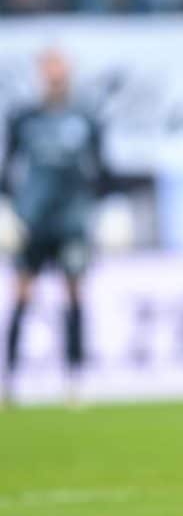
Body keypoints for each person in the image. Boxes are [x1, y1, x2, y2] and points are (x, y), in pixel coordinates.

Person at [1, 49, 107, 407]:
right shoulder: (24, 118)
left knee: (74, 295)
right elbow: (8, 168)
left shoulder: (86, 118)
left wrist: (106, 209)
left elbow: (101, 170)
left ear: (69, 74)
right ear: (41, 75)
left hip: (72, 221)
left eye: (60, 71)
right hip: (32, 222)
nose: (55, 78)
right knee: (22, 296)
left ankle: (75, 380)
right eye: (49, 72)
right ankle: (10, 380)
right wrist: (7, 211)